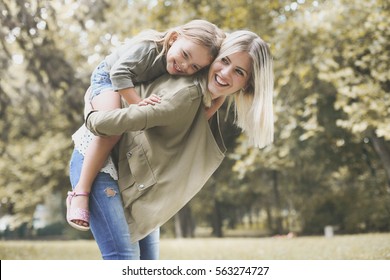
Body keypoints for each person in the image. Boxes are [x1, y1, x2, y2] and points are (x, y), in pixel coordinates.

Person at [78, 30, 274, 259]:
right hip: (103, 163)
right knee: (124, 259)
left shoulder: (207, 95)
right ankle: (79, 193)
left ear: (247, 85)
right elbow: (115, 121)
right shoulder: (186, 93)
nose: (225, 73)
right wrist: (92, 112)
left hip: (131, 174)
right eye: (224, 61)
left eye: (239, 72)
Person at [67, 19, 226, 232]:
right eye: (185, 55)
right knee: (112, 130)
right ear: (174, 38)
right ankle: (80, 192)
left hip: (128, 83)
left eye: (194, 67)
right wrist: (138, 104)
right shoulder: (148, 50)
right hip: (107, 78)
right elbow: (119, 74)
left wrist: (219, 100)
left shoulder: (179, 68)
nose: (185, 66)